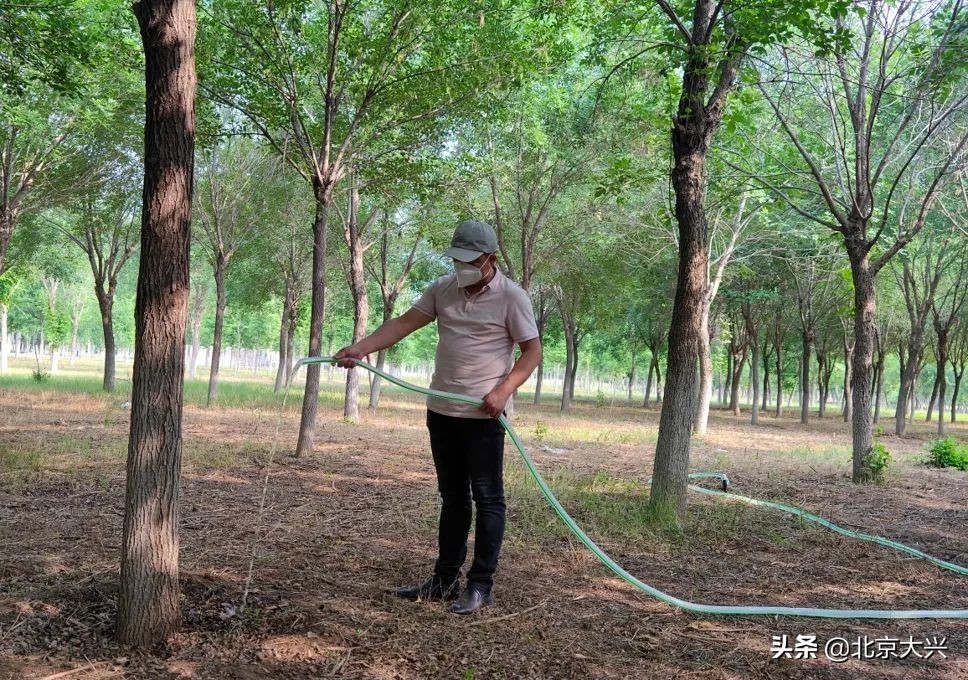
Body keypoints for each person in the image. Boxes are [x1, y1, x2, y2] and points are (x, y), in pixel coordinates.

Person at [333, 219, 542, 614]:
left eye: (471, 261)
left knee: (488, 499)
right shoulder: (442, 289)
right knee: (453, 498)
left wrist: (503, 391)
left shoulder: (512, 298)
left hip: (483, 417)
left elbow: (532, 351)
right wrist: (361, 348)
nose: (462, 267)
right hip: (442, 412)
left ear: (490, 259)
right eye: (457, 259)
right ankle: (444, 581)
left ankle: (480, 585)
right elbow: (402, 323)